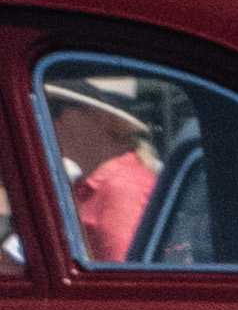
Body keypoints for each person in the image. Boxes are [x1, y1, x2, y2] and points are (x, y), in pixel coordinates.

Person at [49, 83, 160, 264]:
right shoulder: (90, 185)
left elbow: (124, 279)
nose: (42, 118)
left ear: (102, 118)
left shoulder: (120, 187)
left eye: (54, 109)